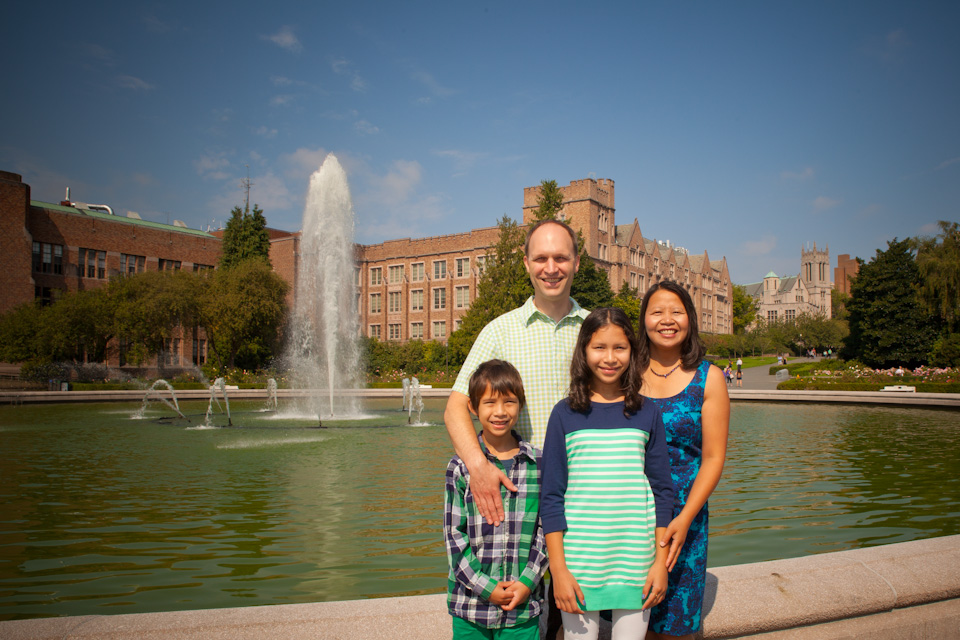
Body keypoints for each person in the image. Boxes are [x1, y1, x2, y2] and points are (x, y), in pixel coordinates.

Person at [541, 308, 675, 640]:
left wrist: (660, 563)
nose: (610, 358)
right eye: (599, 347)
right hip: (579, 563)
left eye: (620, 348)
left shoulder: (647, 412)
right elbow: (551, 497)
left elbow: (662, 492)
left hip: (636, 562)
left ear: (633, 351)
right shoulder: (564, 414)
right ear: (584, 351)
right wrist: (558, 570)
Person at [445, 218, 587, 525]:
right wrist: (478, 467)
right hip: (521, 494)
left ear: (576, 262)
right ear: (526, 264)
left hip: (584, 492)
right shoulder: (499, 331)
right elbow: (455, 408)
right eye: (540, 258)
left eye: (561, 257)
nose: (551, 268)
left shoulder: (597, 332)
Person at [637, 281, 730, 640]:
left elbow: (713, 458)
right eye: (657, 311)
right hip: (632, 515)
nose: (667, 319)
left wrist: (686, 517)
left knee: (674, 627)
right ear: (644, 319)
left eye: (676, 311)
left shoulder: (709, 378)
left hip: (684, 518)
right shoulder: (627, 373)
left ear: (689, 318)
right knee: (629, 620)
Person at [444, 360, 548, 640]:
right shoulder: (460, 467)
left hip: (522, 607)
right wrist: (483, 585)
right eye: (489, 403)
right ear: (473, 408)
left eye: (509, 402)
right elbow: (454, 536)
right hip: (470, 606)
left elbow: (546, 531)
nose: (500, 412)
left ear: (521, 405)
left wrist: (527, 581)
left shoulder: (538, 463)